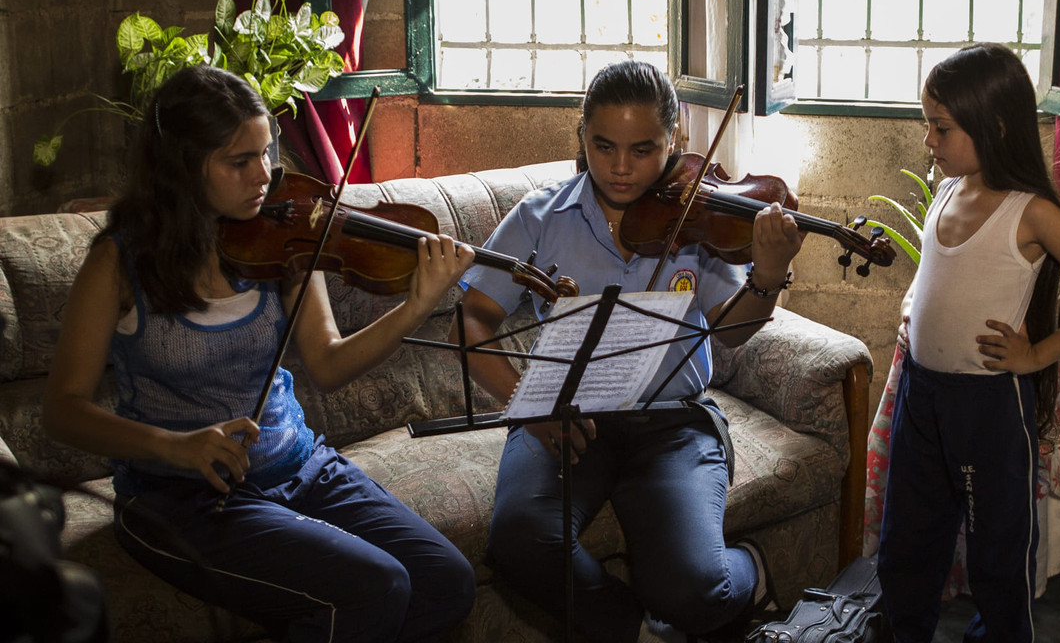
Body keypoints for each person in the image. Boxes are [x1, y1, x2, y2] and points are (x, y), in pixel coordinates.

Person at [42, 65, 477, 642]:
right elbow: (62, 410)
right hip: (180, 499)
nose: (264, 177)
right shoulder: (119, 263)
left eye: (267, 154)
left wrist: (417, 305)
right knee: (377, 585)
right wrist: (175, 446)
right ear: (181, 167)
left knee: (447, 580)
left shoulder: (286, 239)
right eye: (239, 161)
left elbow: (327, 365)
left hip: (299, 467)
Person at [453, 59, 803, 642]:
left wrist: (766, 277)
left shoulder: (698, 219)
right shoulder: (540, 218)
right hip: (566, 417)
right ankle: (638, 634)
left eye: (643, 150)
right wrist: (526, 403)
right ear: (582, 137)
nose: (620, 168)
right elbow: (475, 315)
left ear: (674, 140)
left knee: (693, 589)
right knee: (516, 540)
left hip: (673, 424)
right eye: (603, 146)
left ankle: (750, 570)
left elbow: (731, 331)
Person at [876, 43, 1060, 643]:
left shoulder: (1032, 212)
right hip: (923, 397)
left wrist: (1037, 354)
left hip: (987, 408)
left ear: (992, 125)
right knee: (907, 542)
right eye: (927, 127)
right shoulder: (947, 192)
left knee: (997, 553)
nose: (928, 143)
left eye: (940, 128)